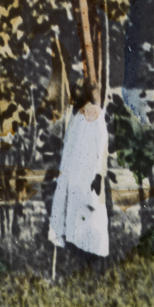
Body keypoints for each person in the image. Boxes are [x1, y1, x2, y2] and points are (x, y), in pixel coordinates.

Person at [48, 79, 111, 273]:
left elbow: (101, 148)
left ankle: (95, 265)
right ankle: (83, 266)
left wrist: (98, 175)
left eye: (77, 93)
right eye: (72, 94)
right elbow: (68, 152)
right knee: (75, 225)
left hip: (89, 180)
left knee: (93, 223)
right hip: (73, 182)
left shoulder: (96, 114)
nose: (73, 97)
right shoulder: (75, 119)